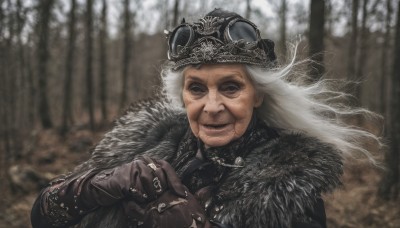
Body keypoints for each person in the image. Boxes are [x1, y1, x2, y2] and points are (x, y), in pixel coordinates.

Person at [31, 8, 382, 228]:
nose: (211, 107)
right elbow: (43, 215)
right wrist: (102, 184)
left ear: (258, 94)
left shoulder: (288, 189)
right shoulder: (143, 140)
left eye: (230, 87)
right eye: (197, 89)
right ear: (181, 95)